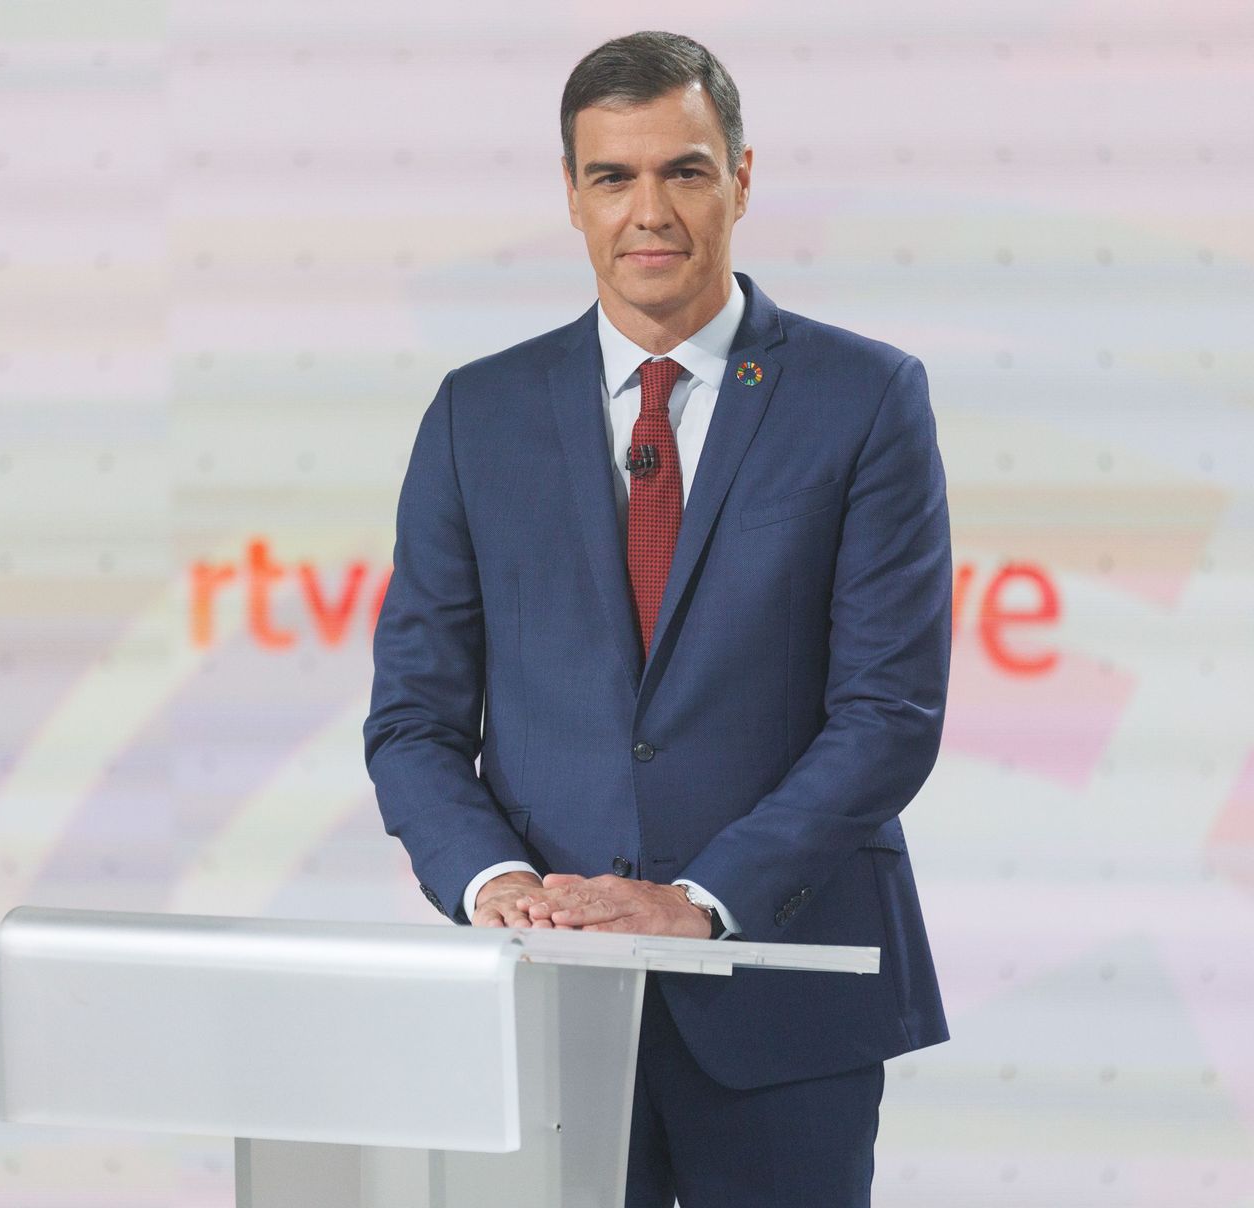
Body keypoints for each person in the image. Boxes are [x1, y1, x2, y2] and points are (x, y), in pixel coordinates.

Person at [363, 29, 950, 1208]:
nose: (650, 211)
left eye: (683, 170)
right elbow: (413, 721)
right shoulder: (477, 415)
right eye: (611, 176)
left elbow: (887, 712)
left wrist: (699, 898)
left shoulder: (867, 398)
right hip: (548, 1003)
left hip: (784, 1004)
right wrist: (496, 886)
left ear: (740, 177)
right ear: (571, 197)